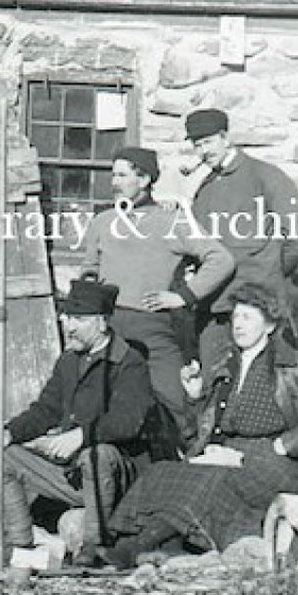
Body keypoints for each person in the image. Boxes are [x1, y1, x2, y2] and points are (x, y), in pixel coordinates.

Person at [103, 283, 298, 569]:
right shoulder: (225, 367)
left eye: (247, 317)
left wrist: (287, 444)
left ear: (271, 324)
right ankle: (160, 548)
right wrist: (194, 398)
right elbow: (196, 433)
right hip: (228, 453)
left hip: (279, 461)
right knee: (164, 471)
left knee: (211, 479)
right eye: (235, 318)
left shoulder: (296, 366)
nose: (238, 325)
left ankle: (136, 548)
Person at [0, 279, 155, 566]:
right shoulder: (68, 362)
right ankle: (22, 544)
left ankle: (95, 546)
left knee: (98, 453)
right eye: (67, 317)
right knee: (3, 456)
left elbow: (128, 422)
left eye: (78, 319)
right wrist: (6, 434)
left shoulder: (129, 363)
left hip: (117, 476)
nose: (68, 326)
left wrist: (82, 436)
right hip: (73, 474)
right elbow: (45, 410)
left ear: (102, 322)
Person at [81, 146, 234, 441]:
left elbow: (221, 259)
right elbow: (90, 268)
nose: (114, 182)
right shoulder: (102, 222)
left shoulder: (171, 221)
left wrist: (184, 296)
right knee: (97, 400)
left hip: (153, 328)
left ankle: (191, 462)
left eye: (122, 175)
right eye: (113, 175)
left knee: (177, 405)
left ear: (145, 179)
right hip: (108, 328)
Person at [184, 108, 298, 359]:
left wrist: (270, 270)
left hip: (257, 307)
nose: (203, 151)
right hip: (214, 308)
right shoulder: (206, 187)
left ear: (225, 137)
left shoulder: (265, 176)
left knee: (262, 384)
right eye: (197, 145)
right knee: (215, 384)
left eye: (209, 142)